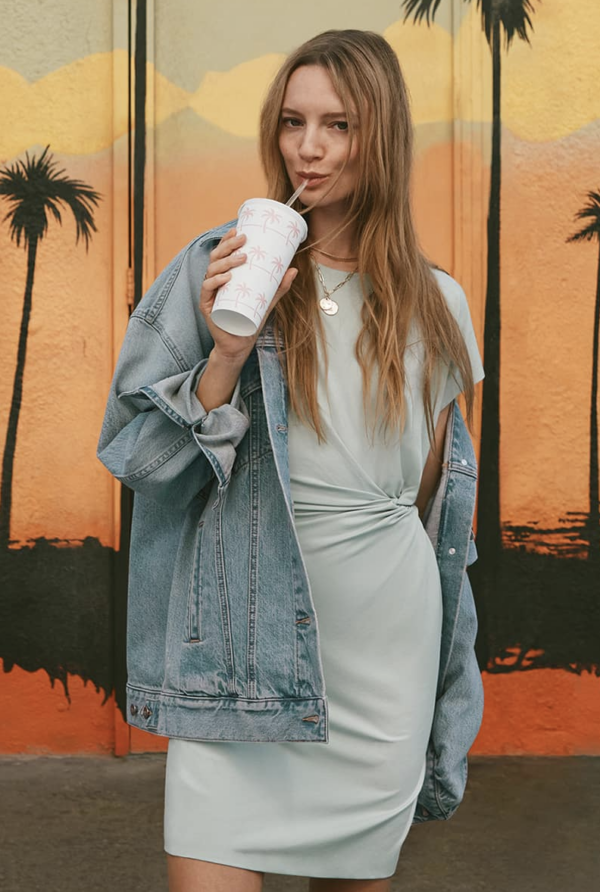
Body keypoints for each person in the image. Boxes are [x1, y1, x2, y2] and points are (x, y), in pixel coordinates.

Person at [97, 28, 485, 892]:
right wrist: (228, 352)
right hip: (239, 653)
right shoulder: (216, 269)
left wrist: (444, 675)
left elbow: (433, 509)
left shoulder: (438, 303)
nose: (309, 147)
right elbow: (141, 464)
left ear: (381, 136)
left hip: (382, 657)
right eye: (292, 122)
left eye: (338, 125)